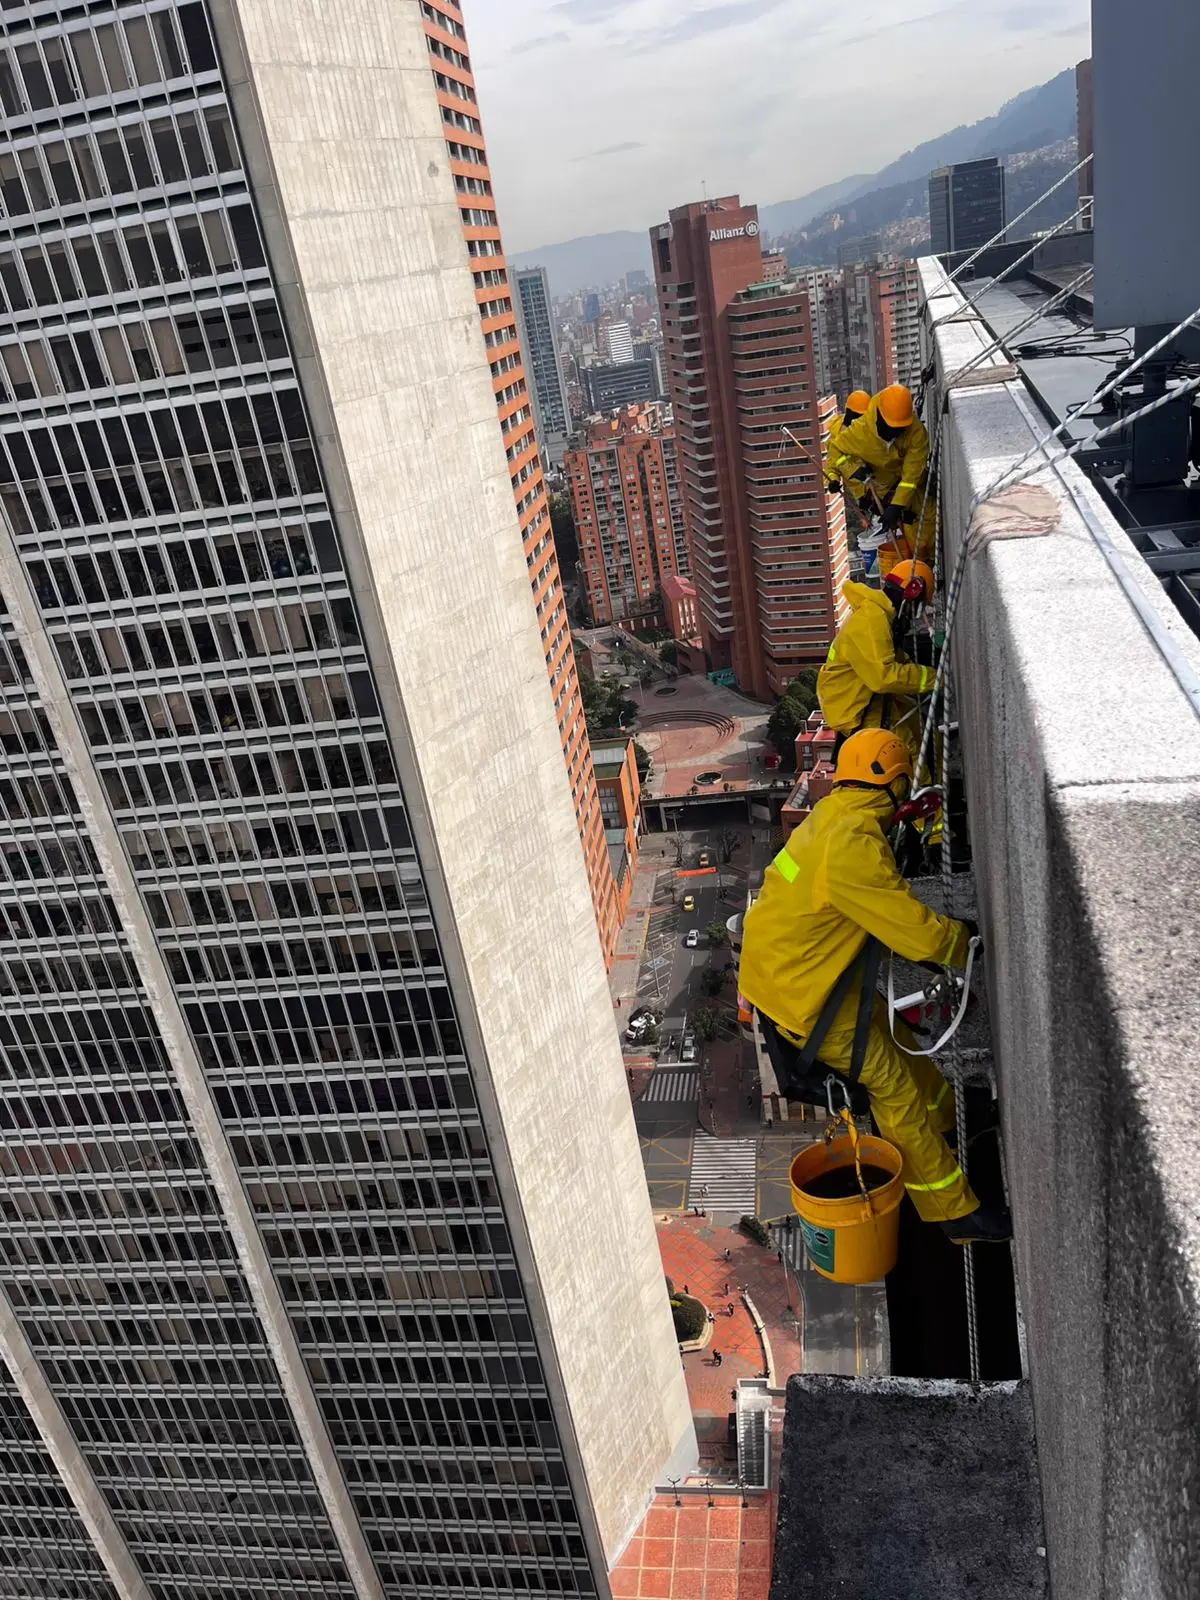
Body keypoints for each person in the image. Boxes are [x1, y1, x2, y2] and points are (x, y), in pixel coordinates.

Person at [736, 728, 1010, 1245]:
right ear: (893, 781)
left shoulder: (829, 819)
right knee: (895, 1089)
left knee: (901, 1055)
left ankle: (955, 1120)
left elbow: (839, 904)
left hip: (789, 980)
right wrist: (959, 942)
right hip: (808, 998)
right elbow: (902, 921)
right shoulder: (854, 843)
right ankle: (952, 1212)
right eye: (904, 785)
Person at [817, 558, 936, 769]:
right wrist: (935, 678)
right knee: (905, 751)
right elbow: (885, 676)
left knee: (920, 728)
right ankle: (928, 795)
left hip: (865, 697)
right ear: (911, 592)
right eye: (917, 608)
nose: (913, 615)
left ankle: (938, 781)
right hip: (857, 710)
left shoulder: (880, 614)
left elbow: (890, 657)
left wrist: (919, 669)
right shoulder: (872, 619)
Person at [829, 384, 935, 577]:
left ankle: (925, 568)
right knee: (911, 540)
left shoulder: (915, 433)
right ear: (877, 416)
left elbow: (911, 476)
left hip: (908, 491)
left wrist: (896, 506)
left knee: (926, 527)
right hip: (879, 489)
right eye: (890, 428)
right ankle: (915, 573)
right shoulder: (859, 433)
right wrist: (852, 471)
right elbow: (836, 452)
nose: (894, 434)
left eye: (899, 429)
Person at [824, 388, 871, 494]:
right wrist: (833, 481)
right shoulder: (836, 439)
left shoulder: (869, 430)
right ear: (852, 415)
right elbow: (832, 468)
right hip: (862, 494)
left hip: (881, 486)